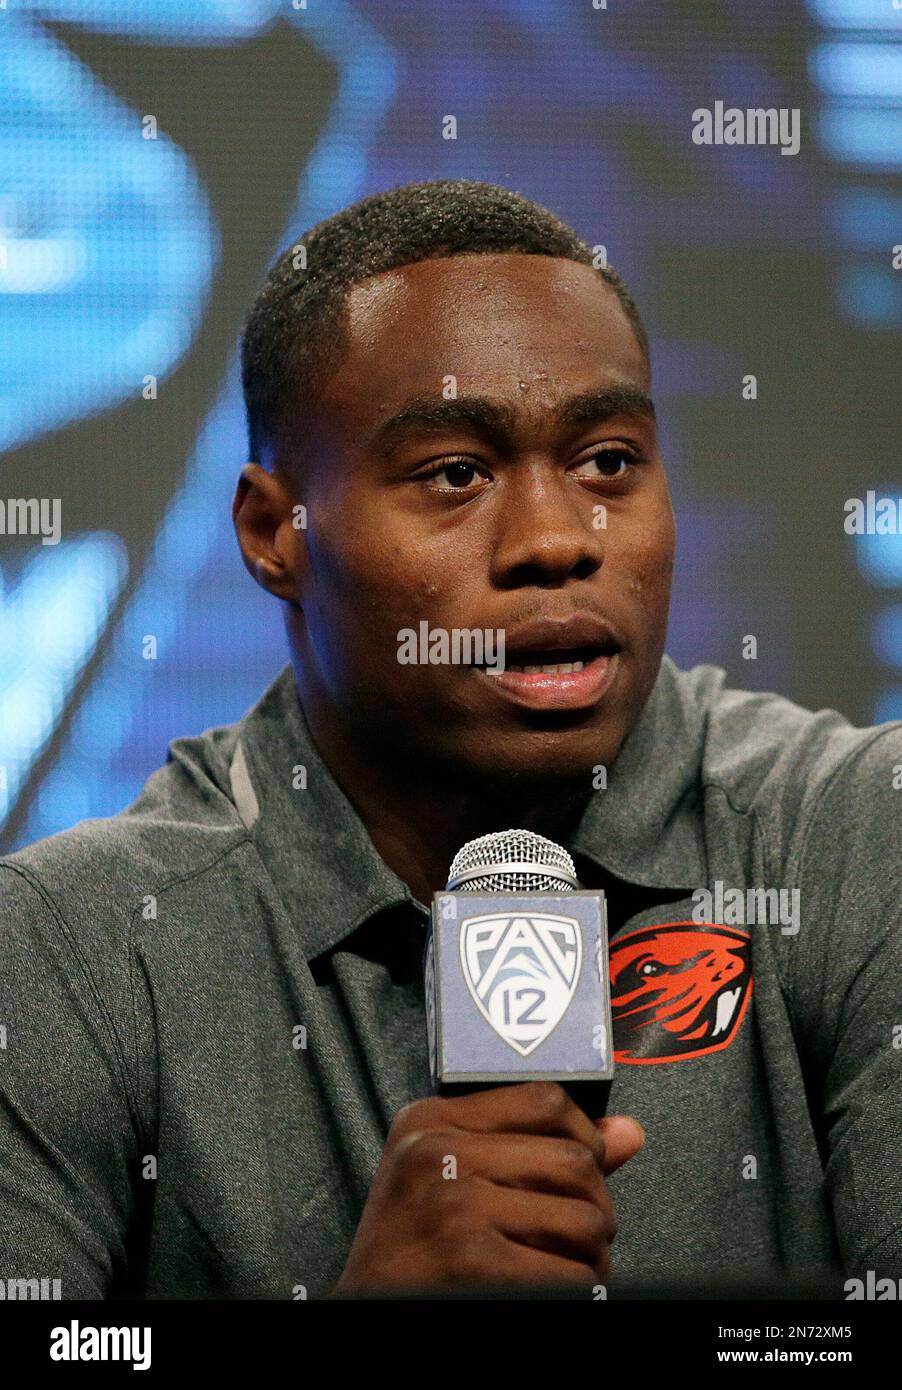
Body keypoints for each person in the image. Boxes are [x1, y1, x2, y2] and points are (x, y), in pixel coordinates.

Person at [1, 180, 900, 1300]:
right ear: (273, 532)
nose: (556, 539)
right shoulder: (66, 949)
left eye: (607, 461)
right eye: (454, 475)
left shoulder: (857, 835)